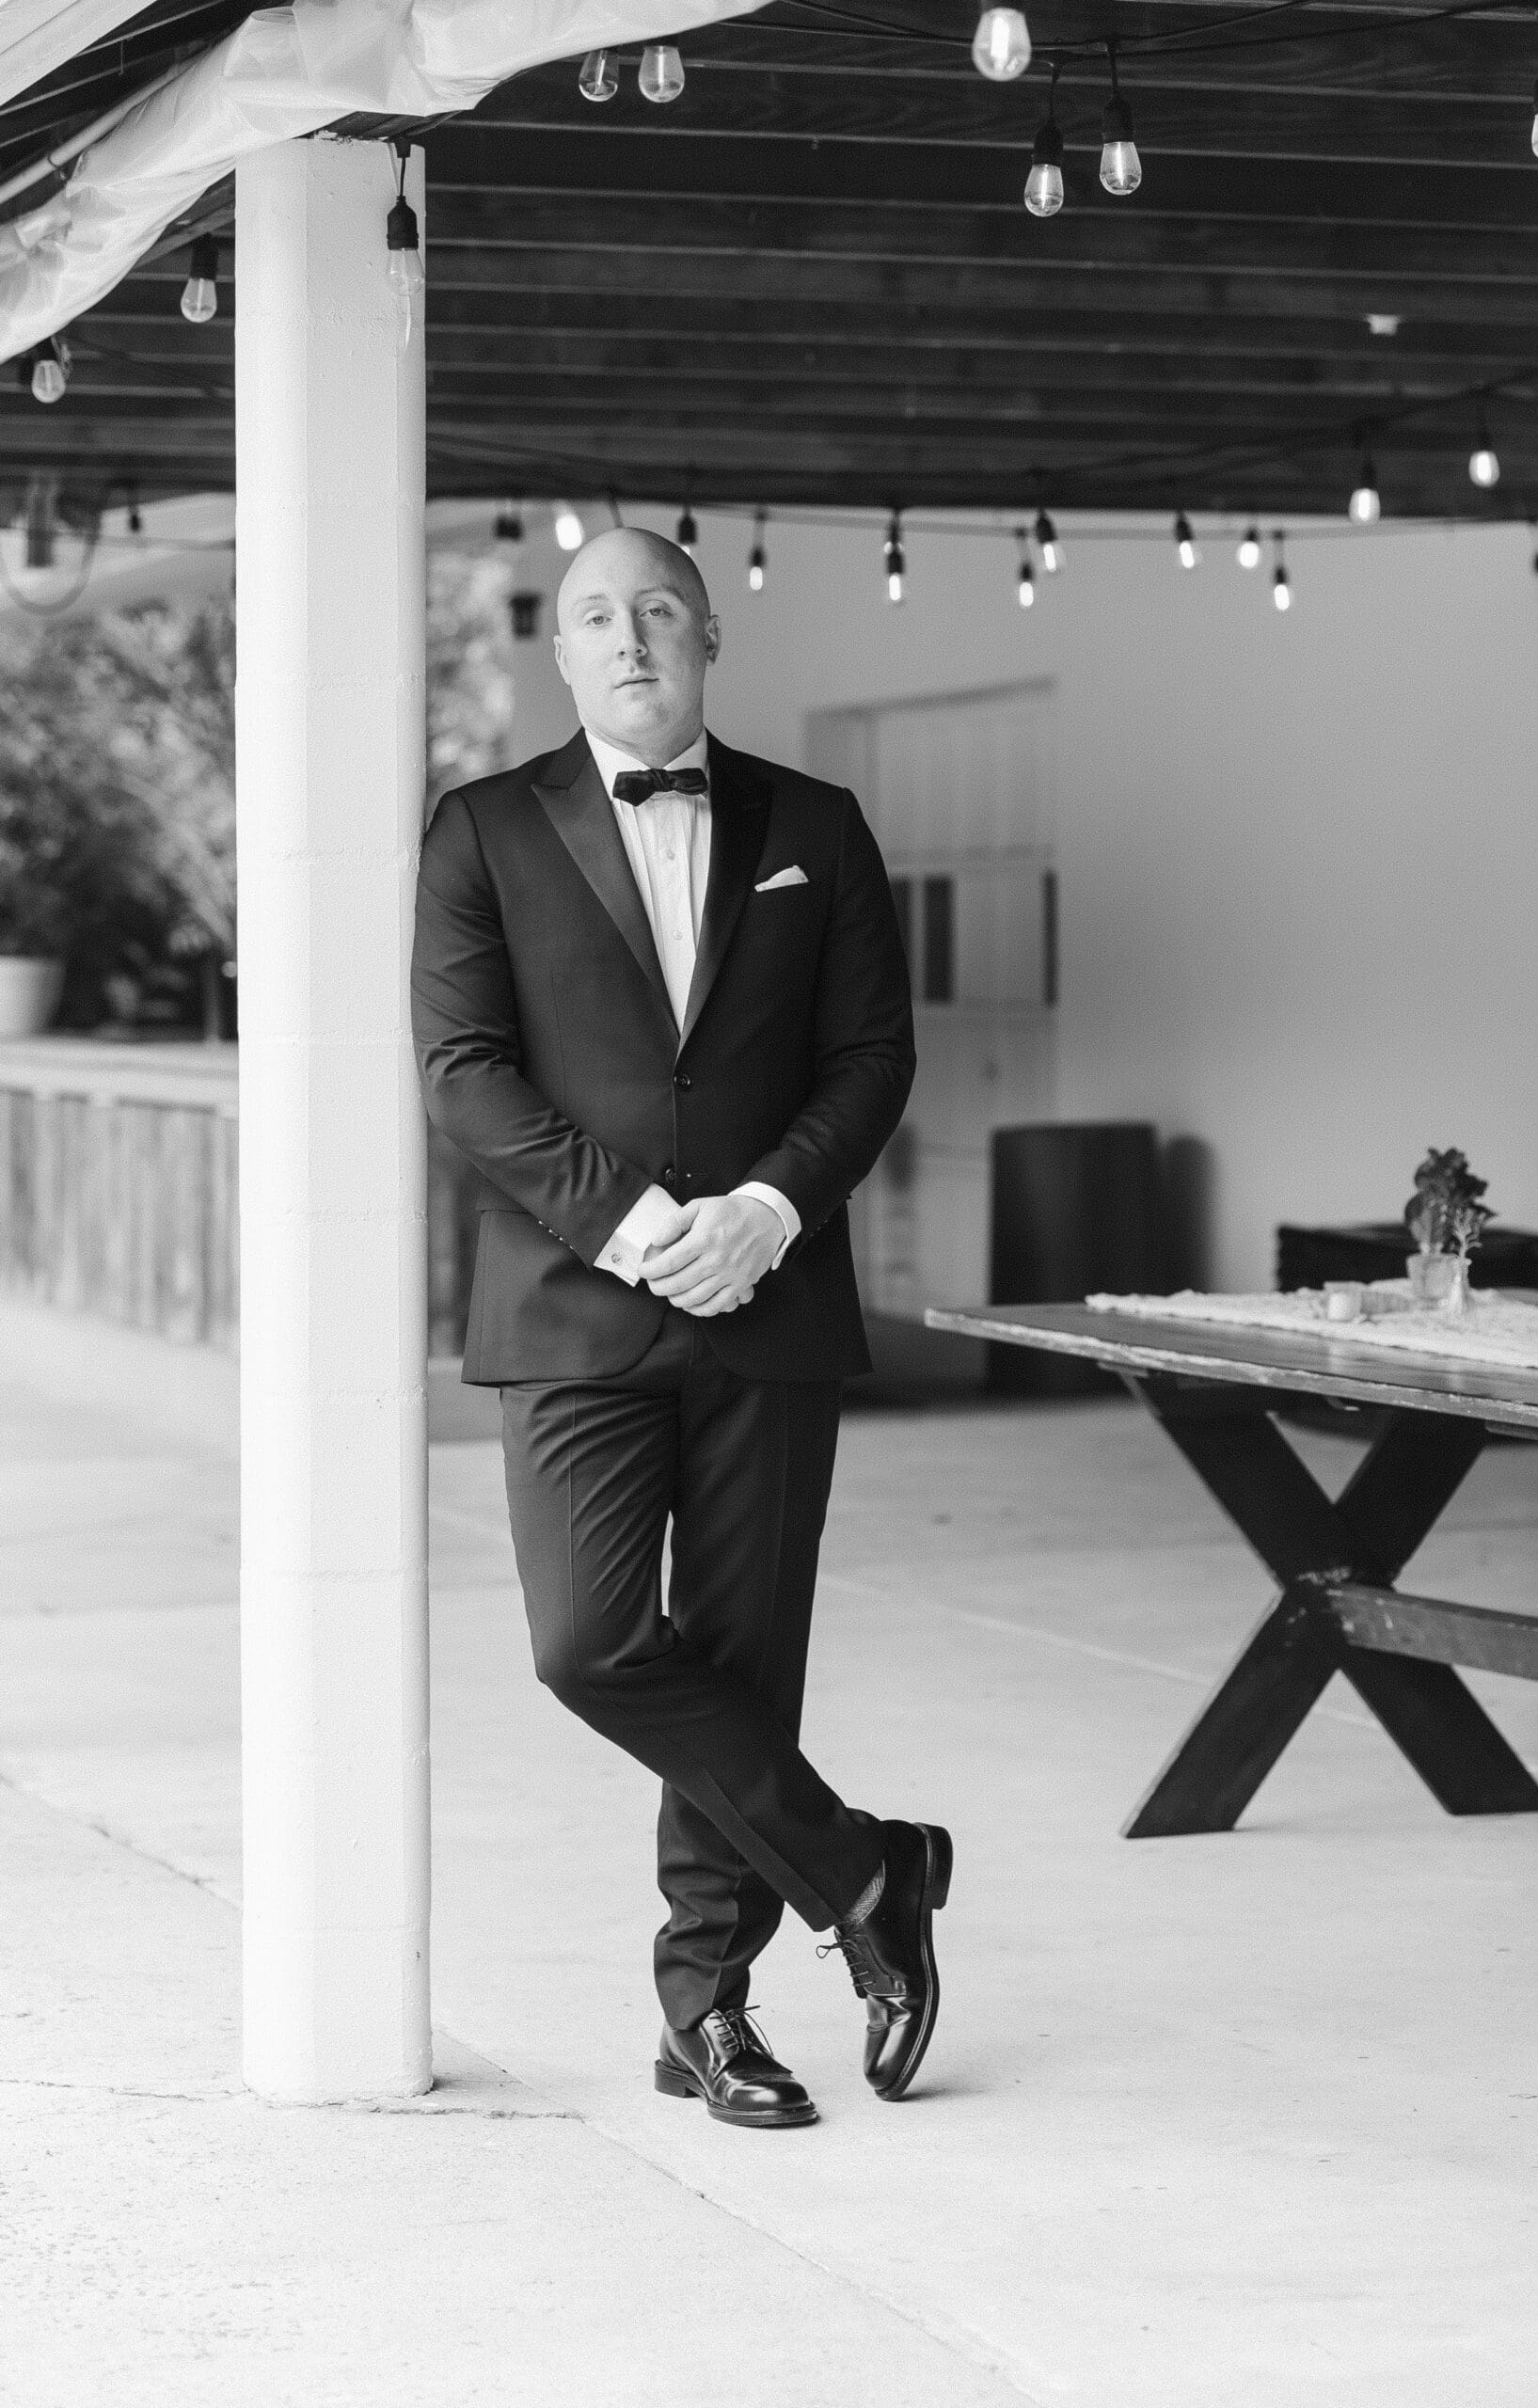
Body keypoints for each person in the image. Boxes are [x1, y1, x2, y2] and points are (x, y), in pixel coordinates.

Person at [411, 525, 951, 2129]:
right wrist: (648, 1233)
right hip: (574, 1311)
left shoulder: (819, 826)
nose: (630, 638)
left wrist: (769, 1211)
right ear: (562, 652)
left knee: (744, 1665)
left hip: (771, 1306)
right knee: (588, 1646)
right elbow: (464, 1074)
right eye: (597, 615)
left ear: (711, 636)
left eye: (659, 609)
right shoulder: (481, 828)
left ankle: (705, 2013)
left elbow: (871, 1056)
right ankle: (869, 1874)